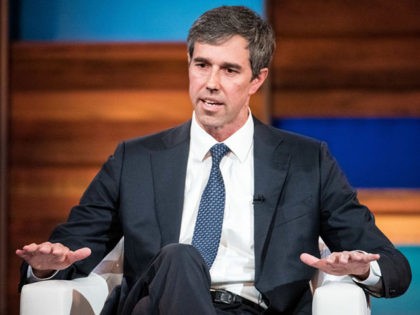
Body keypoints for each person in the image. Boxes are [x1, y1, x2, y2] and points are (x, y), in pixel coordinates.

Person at [16, 5, 411, 314]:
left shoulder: (307, 160)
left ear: (257, 79)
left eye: (229, 70)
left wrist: (361, 267)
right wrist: (46, 265)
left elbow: (393, 266)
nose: (210, 83)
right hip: (154, 306)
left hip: (258, 310)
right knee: (180, 256)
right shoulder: (134, 159)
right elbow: (69, 250)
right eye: (201, 64)